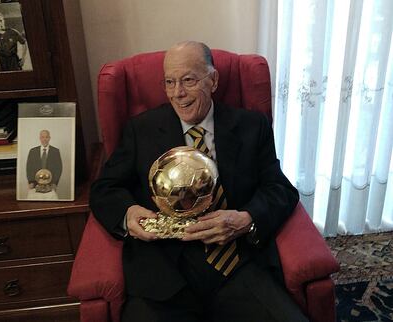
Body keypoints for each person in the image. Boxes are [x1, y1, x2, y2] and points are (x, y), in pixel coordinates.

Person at [90, 41, 308, 322]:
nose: (177, 93)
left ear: (213, 80)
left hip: (236, 265)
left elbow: (280, 189)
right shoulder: (141, 129)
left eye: (188, 80)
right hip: (164, 273)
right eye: (169, 82)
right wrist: (128, 213)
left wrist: (245, 218)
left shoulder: (253, 126)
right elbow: (105, 189)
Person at [26, 129, 62, 198]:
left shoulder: (55, 151)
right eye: (42, 137)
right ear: (40, 138)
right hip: (35, 184)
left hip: (50, 184)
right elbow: (29, 167)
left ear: (49, 138)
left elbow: (59, 168)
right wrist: (31, 182)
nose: (44, 139)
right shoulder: (32, 151)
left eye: (46, 137)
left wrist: (54, 183)